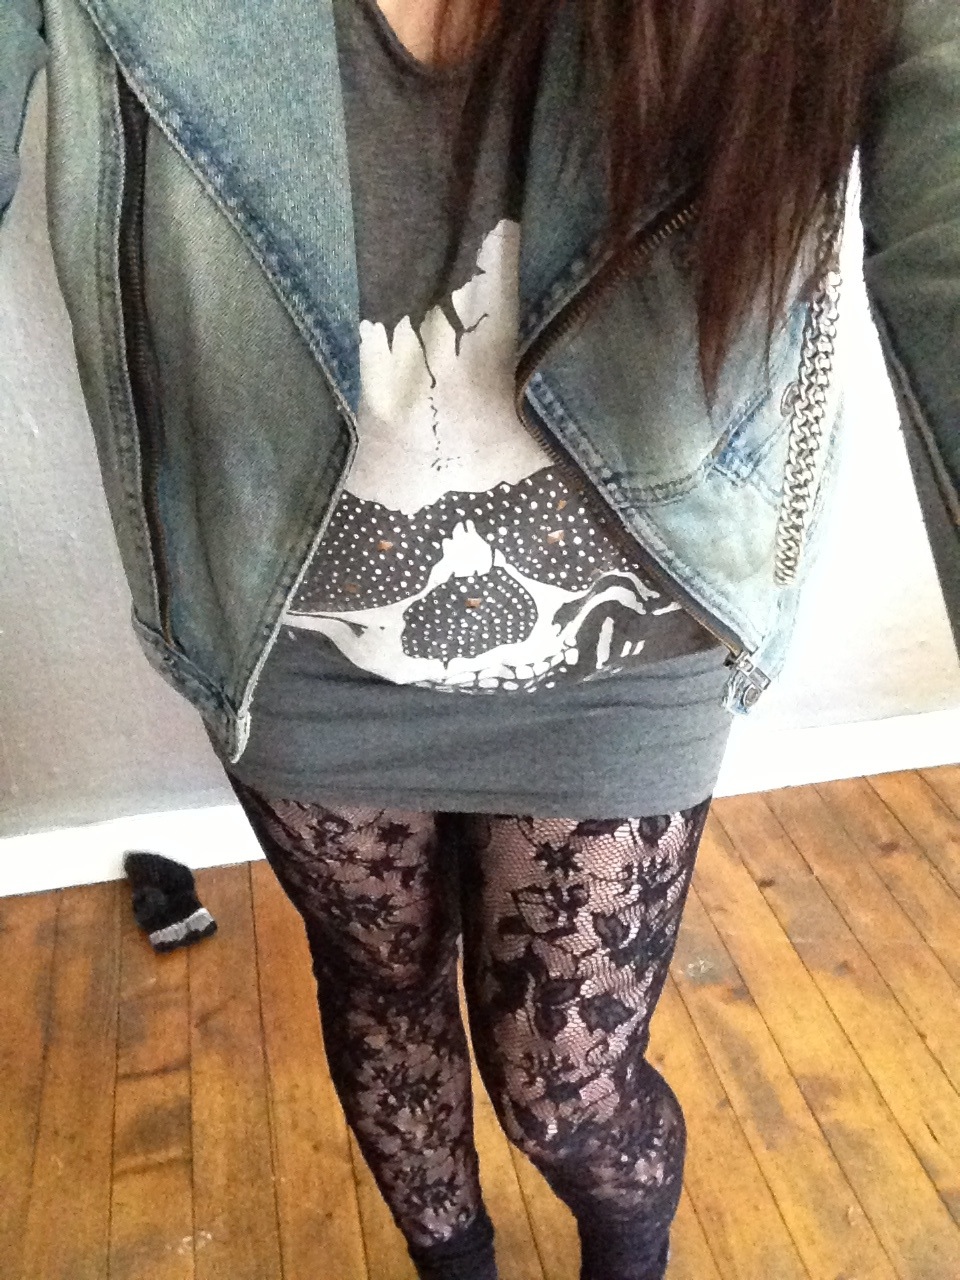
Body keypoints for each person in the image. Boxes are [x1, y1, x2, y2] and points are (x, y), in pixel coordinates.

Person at [2, 0, 957, 1276]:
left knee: (567, 1087)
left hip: (625, 633)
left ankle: (631, 1256)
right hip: (298, 635)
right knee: (381, 994)